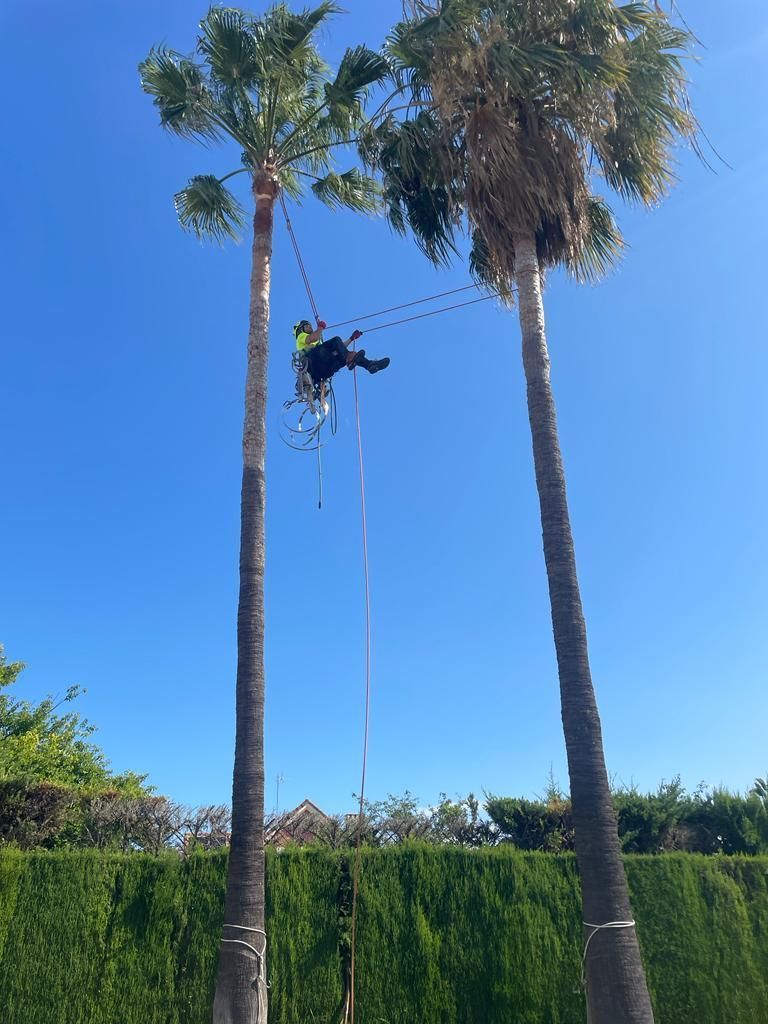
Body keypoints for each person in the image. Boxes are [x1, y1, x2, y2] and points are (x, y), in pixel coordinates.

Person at [293, 318, 390, 382]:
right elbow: (314, 337)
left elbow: (340, 349)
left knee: (343, 355)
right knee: (336, 340)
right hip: (313, 362)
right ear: (300, 330)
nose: (310, 327)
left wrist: (351, 339)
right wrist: (320, 327)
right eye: (307, 326)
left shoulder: (318, 346)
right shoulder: (301, 337)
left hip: (324, 369)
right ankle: (353, 359)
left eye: (310, 325)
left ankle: (369, 365)